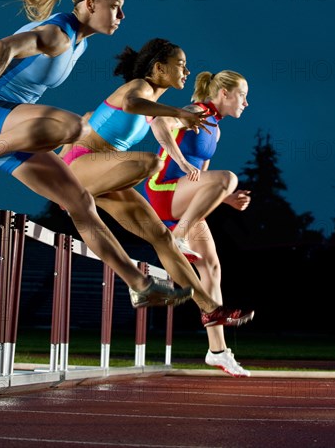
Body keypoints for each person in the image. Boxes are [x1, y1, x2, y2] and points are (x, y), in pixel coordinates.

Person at [0, 0, 207, 309]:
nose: (122, 15)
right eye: (115, 6)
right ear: (90, 4)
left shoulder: (80, 44)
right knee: (76, 127)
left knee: (82, 204)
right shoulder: (59, 34)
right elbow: (3, 47)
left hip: (14, 137)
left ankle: (139, 285)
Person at [59, 39, 254, 328]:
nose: (187, 71)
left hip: (103, 174)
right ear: (159, 68)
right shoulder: (139, 88)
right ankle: (75, 200)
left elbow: (116, 118)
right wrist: (178, 114)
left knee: (162, 237)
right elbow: (129, 103)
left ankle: (210, 310)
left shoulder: (154, 106)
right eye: (180, 65)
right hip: (80, 165)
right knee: (151, 162)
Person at [144, 69, 253, 376]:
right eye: (243, 95)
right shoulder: (198, 111)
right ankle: (178, 236)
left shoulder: (215, 130)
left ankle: (217, 351)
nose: (246, 103)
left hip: (183, 199)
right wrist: (178, 161)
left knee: (212, 267)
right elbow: (160, 122)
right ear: (225, 94)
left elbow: (205, 180)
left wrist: (228, 198)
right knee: (228, 177)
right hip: (163, 190)